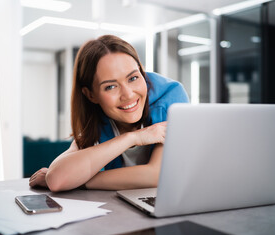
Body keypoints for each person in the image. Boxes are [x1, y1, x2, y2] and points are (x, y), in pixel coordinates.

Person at [29, 35, 189, 192]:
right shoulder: (100, 117)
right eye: (111, 87)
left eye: (133, 78)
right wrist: (134, 137)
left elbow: (157, 175)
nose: (128, 95)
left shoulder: (171, 97)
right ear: (91, 95)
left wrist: (81, 181)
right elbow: (57, 179)